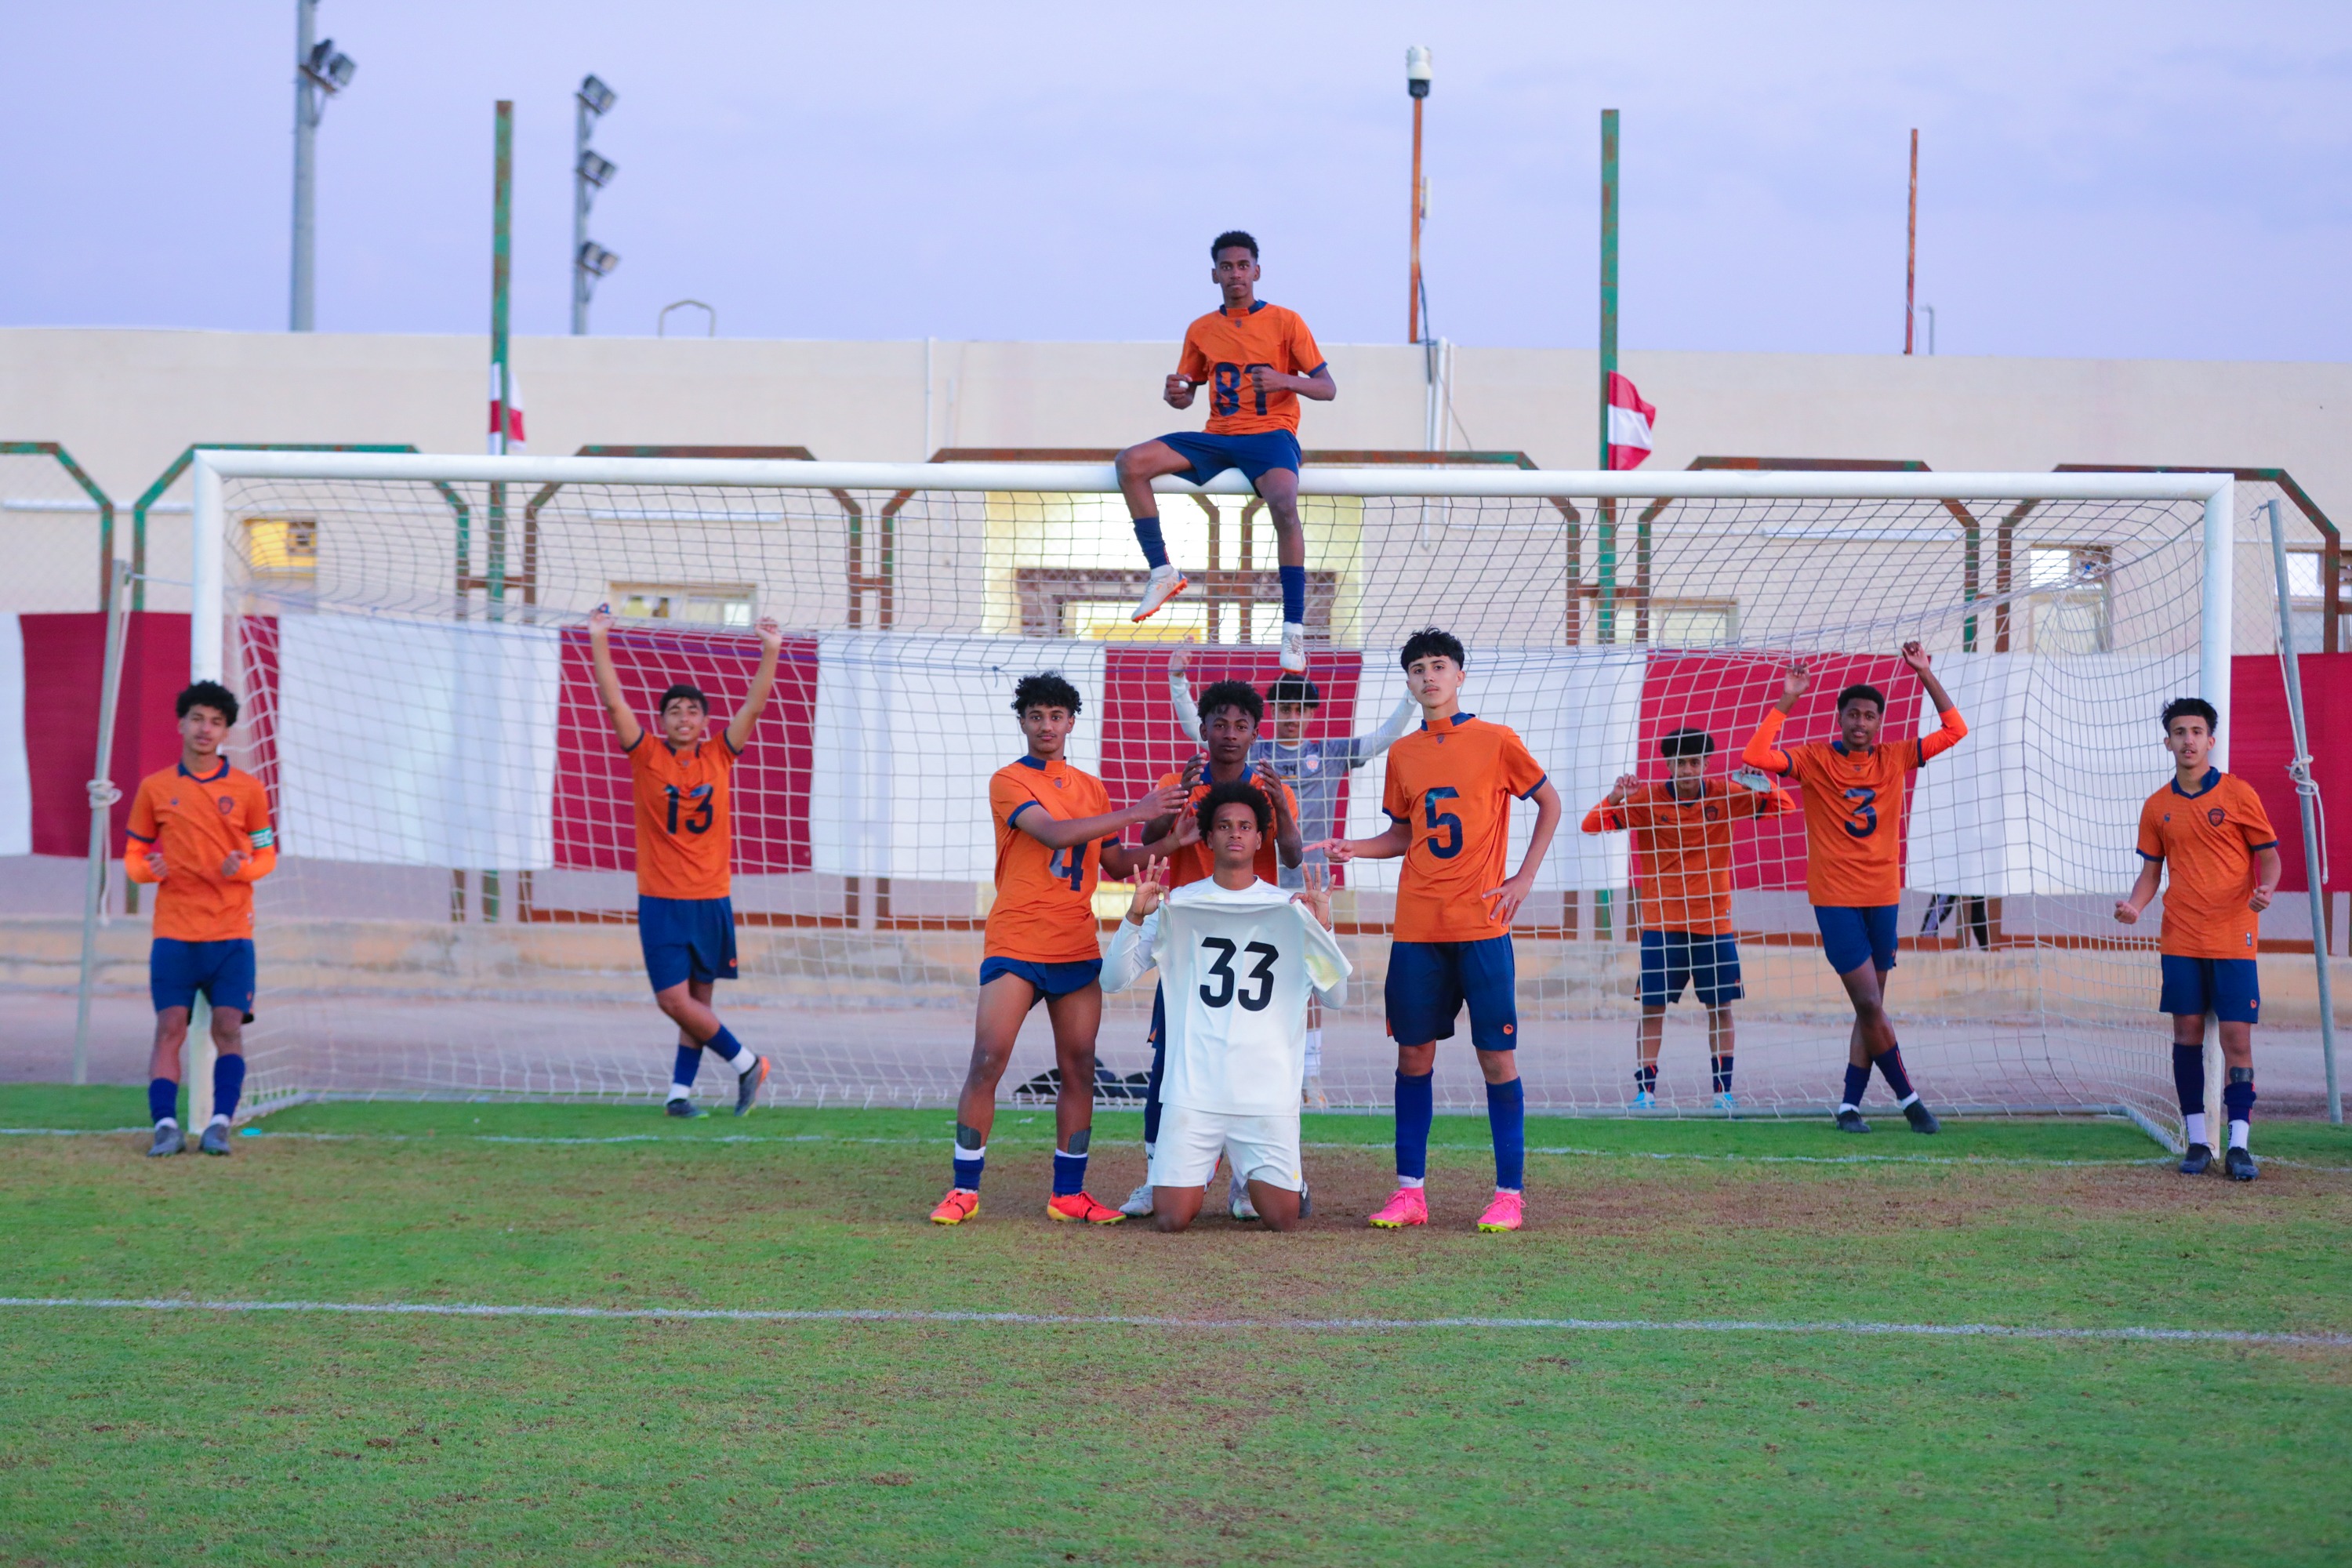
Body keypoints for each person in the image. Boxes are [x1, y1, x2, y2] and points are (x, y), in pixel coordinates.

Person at [1316, 628, 1563, 1233]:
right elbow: (1405, 834)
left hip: (1481, 925)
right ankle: (1410, 1194)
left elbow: (1550, 803)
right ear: (1408, 681)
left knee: (1496, 1058)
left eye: (1439, 666)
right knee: (1412, 1055)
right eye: (1418, 669)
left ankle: (1508, 1196)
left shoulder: (1497, 740)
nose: (1429, 677)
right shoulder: (1403, 754)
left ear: (1459, 675)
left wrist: (1523, 878)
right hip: (1418, 927)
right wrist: (1357, 848)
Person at [930, 673, 1188, 1225]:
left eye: (1056, 716)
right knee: (988, 1059)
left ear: (1071, 722)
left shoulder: (1093, 788)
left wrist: (1172, 841)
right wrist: (1139, 812)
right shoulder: (1008, 780)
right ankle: (963, 1189)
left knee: (1079, 1067)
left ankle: (1068, 1194)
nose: (1046, 726)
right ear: (1022, 722)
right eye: (1035, 716)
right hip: (1017, 942)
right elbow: (1050, 833)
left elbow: (1114, 864)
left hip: (1074, 944)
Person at [1167, 643, 1415, 1105]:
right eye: (1284, 708)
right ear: (1271, 714)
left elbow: (1382, 739)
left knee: (1313, 977)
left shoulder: (1330, 752)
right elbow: (1197, 729)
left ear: (1312, 714)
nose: (1292, 717)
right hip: (1255, 884)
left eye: (1300, 710)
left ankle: (1310, 1075)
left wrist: (1410, 698)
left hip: (1307, 882)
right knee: (1252, 977)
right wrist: (1179, 684)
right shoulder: (1253, 750)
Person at [1103, 781, 1352, 1232]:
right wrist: (1135, 916)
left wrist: (1324, 929)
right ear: (1208, 837)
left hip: (1265, 1091)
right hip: (1194, 1090)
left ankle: (1268, 1177)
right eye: (1223, 826)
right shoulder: (1177, 905)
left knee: (1282, 1219)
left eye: (1245, 826)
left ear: (1260, 840)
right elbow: (1112, 980)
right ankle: (1211, 1168)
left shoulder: (1291, 908)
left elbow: (1336, 998)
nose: (1235, 833)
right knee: (1171, 1219)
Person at [1740, 644, 1968, 1134]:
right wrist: (1788, 698)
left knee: (1872, 1008)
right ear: (1839, 717)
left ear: (1879, 722)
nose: (1861, 723)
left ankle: (1848, 1107)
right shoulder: (1814, 759)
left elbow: (1956, 730)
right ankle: (1912, 1103)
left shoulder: (1896, 756)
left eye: (1870, 716)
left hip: (1884, 896)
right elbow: (1754, 756)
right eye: (1853, 714)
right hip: (1835, 898)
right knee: (1868, 1004)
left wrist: (1925, 674)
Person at [586, 604, 782, 1118]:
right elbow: (613, 701)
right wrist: (599, 637)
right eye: (674, 710)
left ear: (704, 721)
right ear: (662, 721)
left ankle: (679, 1094)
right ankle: (746, 1063)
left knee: (698, 1004)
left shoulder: (721, 753)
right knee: (673, 1001)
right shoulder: (646, 754)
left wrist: (771, 650)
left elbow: (755, 707)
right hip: (661, 900)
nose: (683, 717)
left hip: (711, 899)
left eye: (692, 710)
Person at [1117, 681, 1303, 1218]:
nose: (1229, 734)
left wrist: (1282, 808)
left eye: (1241, 725)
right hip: (1189, 943)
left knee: (1255, 1058)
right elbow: (1151, 840)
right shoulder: (1178, 783)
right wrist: (1175, 800)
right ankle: (1158, 1174)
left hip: (1255, 945)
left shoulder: (1271, 789)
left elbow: (1292, 856)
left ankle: (1249, 1179)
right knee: (1170, 1057)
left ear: (1255, 734)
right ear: (1202, 729)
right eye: (1219, 724)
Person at [1114, 230, 1336, 674]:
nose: (1236, 273)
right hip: (1218, 435)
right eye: (1227, 267)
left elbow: (1327, 388)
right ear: (1214, 274)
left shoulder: (1286, 321)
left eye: (1243, 266)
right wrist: (1176, 394)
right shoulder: (1201, 329)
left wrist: (1285, 380)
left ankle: (1293, 628)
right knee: (1130, 463)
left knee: (1284, 503)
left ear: (1257, 271)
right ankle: (1162, 572)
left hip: (1270, 434)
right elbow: (1186, 394)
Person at [1582, 727, 1793, 1110]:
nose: (1687, 771)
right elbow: (1592, 825)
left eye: (1694, 763)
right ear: (1668, 764)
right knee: (1652, 1009)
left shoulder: (1727, 794)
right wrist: (1616, 796)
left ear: (1706, 764)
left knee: (1721, 1008)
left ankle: (1722, 1093)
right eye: (1680, 763)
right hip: (1662, 925)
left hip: (1713, 923)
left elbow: (1785, 806)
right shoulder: (1647, 799)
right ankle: (1645, 1092)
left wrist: (1761, 784)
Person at [2114, 697, 2281, 1180]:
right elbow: (2151, 874)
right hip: (2181, 937)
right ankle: (2197, 1142)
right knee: (2186, 1035)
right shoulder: (2157, 806)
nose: (2188, 740)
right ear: (2167, 742)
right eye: (2179, 732)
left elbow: (2270, 858)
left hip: (2233, 936)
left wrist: (2266, 890)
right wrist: (2135, 906)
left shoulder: (2239, 794)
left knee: (2236, 1039)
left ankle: (2239, 1146)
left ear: (2211, 740)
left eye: (2196, 731)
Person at [126, 681, 277, 1157]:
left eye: (216, 721)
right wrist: (147, 872)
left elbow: (267, 854)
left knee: (228, 1028)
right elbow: (133, 855)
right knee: (170, 1027)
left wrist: (244, 869)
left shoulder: (248, 790)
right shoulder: (155, 788)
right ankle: (166, 1126)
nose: (205, 729)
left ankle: (219, 1125)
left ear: (227, 731)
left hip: (231, 933)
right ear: (181, 724)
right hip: (175, 933)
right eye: (197, 719)